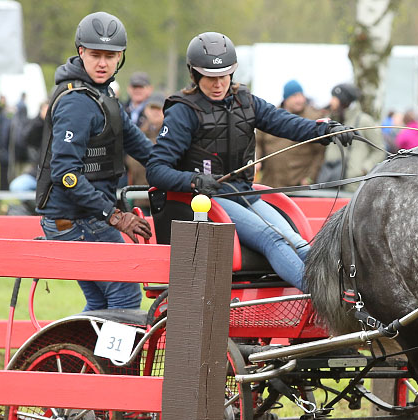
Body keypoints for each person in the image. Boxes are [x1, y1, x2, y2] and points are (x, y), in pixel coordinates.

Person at [146, 32, 355, 291]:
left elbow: (285, 122)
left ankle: (346, 290)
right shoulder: (183, 112)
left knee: (296, 240)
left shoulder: (246, 102)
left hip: (245, 195)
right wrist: (193, 180)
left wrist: (324, 131)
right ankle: (322, 296)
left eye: (224, 75)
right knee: (273, 239)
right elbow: (156, 170)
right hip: (207, 200)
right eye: (210, 77)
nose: (218, 83)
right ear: (195, 75)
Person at [35, 11, 154, 311]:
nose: (103, 63)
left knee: (103, 302)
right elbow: (65, 173)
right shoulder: (77, 102)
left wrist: (178, 171)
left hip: (83, 216)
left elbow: (137, 143)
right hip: (76, 219)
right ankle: (98, 358)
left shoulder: (103, 93)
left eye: (110, 56)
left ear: (120, 57)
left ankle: (80, 357)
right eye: (95, 55)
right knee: (125, 297)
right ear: (81, 52)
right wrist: (114, 216)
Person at [254, 79, 326, 188]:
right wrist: (256, 159)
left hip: (297, 187)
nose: (300, 100)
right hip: (271, 183)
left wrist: (310, 177)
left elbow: (320, 153)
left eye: (301, 95)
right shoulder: (271, 117)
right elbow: (257, 141)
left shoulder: (313, 119)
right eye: (295, 96)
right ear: (286, 98)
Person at [318, 82, 385, 190]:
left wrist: (364, 169)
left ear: (345, 101)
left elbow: (379, 150)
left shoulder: (364, 121)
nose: (332, 102)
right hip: (331, 180)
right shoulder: (331, 120)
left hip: (354, 184)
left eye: (335, 98)